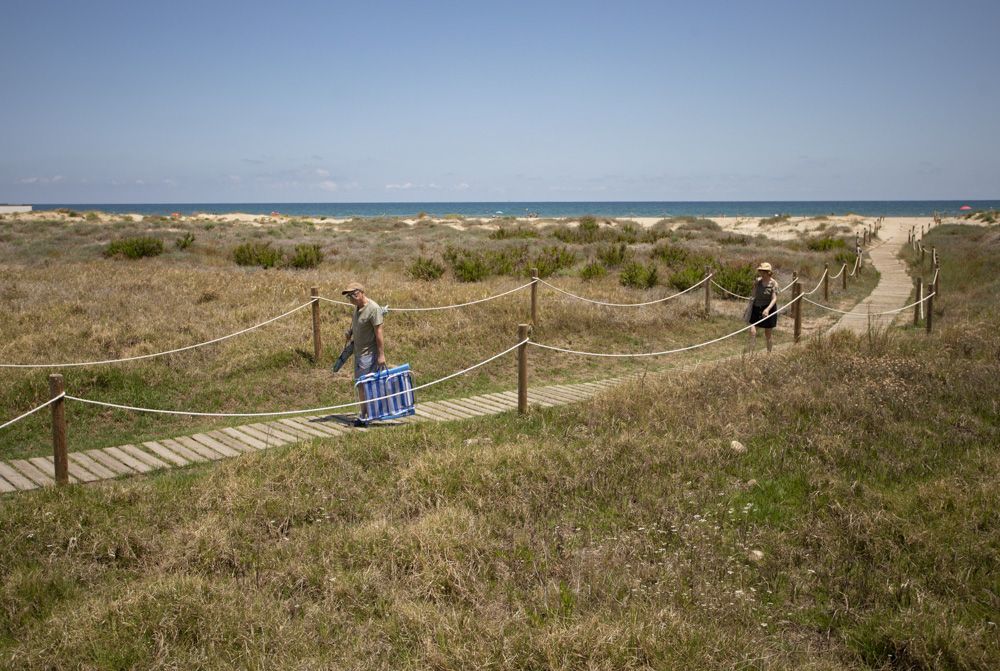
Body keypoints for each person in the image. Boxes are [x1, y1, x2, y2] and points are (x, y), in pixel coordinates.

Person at [341, 282, 386, 424]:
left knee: (364, 385)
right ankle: (367, 412)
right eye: (349, 297)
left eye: (352, 295)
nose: (350, 299)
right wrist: (350, 332)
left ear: (360, 293)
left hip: (368, 354)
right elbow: (358, 324)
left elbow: (379, 333)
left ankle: (366, 415)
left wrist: (381, 355)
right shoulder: (357, 308)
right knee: (361, 384)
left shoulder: (373, 309)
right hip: (358, 353)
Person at [746, 262, 779, 353]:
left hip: (769, 309)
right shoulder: (758, 282)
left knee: (768, 334)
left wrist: (767, 309)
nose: (762, 273)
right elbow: (753, 295)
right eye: (761, 271)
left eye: (764, 271)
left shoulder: (774, 284)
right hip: (757, 308)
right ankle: (750, 354)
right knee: (752, 331)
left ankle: (769, 354)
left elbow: (774, 298)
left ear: (769, 272)